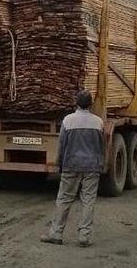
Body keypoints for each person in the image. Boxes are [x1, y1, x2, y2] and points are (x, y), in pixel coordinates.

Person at [41, 90, 104, 248]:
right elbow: (101, 146)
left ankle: (56, 234)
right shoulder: (98, 122)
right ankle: (84, 237)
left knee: (64, 199)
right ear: (91, 104)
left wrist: (60, 165)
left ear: (76, 103)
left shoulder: (68, 121)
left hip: (71, 164)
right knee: (88, 201)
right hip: (92, 166)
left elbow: (62, 145)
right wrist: (100, 164)